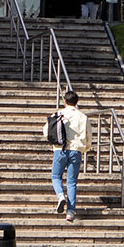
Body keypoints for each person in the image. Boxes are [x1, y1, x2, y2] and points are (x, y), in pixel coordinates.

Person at [47, 91, 89, 222]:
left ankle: (60, 196)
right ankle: (70, 212)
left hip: (60, 149)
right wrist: (85, 148)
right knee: (72, 182)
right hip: (76, 150)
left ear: (65, 101)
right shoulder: (83, 117)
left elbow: (46, 130)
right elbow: (88, 136)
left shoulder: (58, 114)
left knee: (55, 176)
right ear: (77, 101)